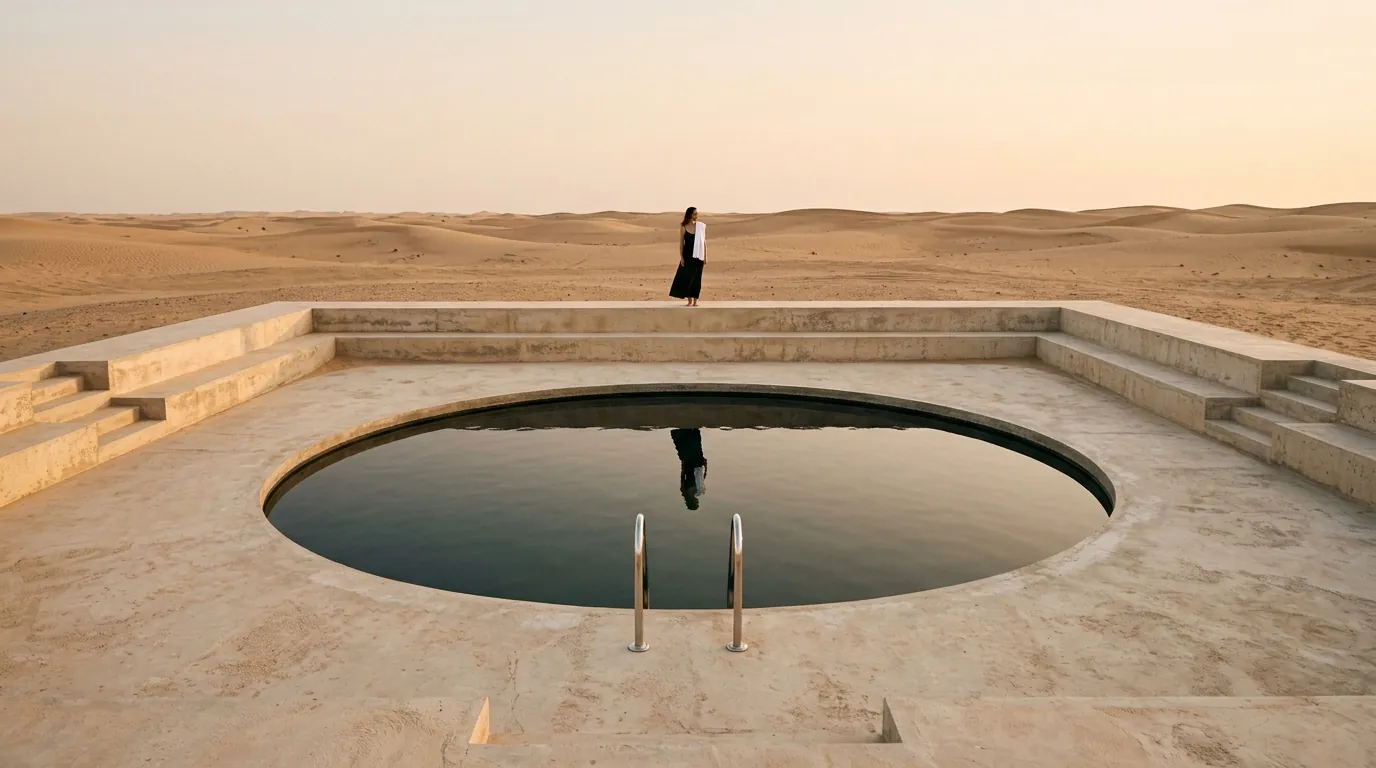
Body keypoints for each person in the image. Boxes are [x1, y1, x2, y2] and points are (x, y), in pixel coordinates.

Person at [669, 206, 706, 306]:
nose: (696, 216)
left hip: (699, 256)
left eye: (697, 214)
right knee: (687, 278)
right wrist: (681, 257)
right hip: (687, 255)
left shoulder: (700, 227)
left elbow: (704, 242)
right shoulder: (683, 227)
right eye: (695, 214)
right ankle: (689, 300)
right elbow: (681, 243)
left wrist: (705, 257)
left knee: (697, 278)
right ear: (690, 214)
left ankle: (695, 300)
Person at [670, 428, 707, 510]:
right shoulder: (687, 492)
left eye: (697, 503)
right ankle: (688, 432)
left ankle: (692, 432)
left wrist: (705, 467)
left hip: (694, 466)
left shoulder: (697, 492)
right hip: (692, 466)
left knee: (695, 448)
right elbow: (684, 477)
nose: (698, 502)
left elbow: (701, 478)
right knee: (690, 448)